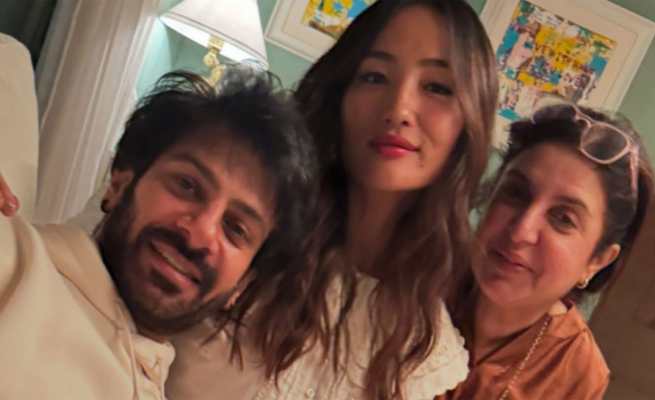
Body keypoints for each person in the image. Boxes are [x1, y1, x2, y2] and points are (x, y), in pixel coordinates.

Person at [165, 0, 498, 399]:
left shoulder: (425, 351)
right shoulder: (242, 230)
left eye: (437, 87)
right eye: (374, 76)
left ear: (469, 120)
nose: (399, 109)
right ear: (341, 94)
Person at [0, 66, 318, 399]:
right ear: (119, 183)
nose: (199, 234)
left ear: (243, 284)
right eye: (187, 185)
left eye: (235, 228)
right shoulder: (16, 267)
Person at [439, 100, 655, 400]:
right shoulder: (417, 277)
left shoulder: (576, 374)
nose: (521, 231)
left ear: (596, 261)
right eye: (516, 193)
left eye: (563, 218)